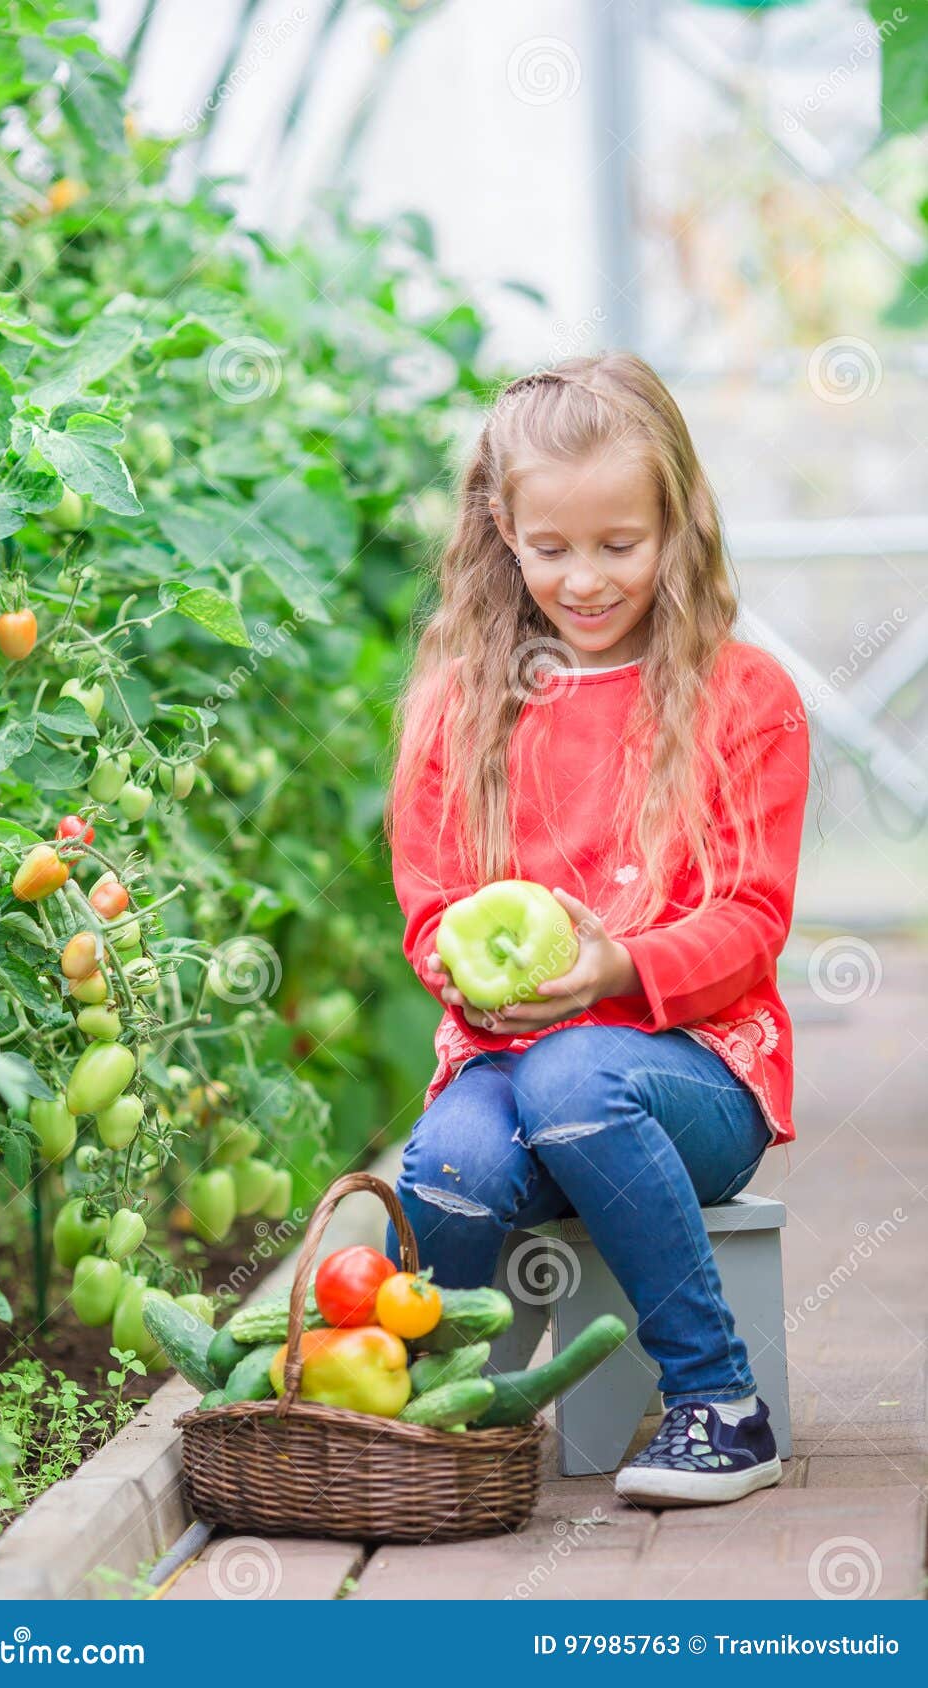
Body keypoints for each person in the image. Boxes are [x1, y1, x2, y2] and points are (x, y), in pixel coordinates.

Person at [383, 353, 810, 1507]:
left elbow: (751, 922)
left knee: (577, 1072)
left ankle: (720, 1405)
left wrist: (616, 964)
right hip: (504, 1058)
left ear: (678, 521)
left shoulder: (742, 695)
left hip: (700, 1080)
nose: (583, 578)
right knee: (451, 1162)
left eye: (619, 544)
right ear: (500, 531)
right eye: (550, 547)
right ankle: (430, 1431)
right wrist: (471, 986)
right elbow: (430, 908)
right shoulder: (461, 702)